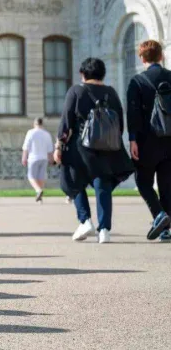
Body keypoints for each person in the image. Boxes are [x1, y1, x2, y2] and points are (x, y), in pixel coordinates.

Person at [54, 58, 134, 244]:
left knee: (72, 182)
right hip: (107, 149)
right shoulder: (111, 93)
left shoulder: (76, 91)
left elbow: (66, 123)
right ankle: (104, 229)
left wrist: (59, 145)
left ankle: (85, 221)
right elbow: (120, 123)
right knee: (103, 187)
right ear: (102, 74)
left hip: (80, 149)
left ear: (83, 74)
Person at [126, 40, 171, 241]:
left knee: (143, 181)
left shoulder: (137, 81)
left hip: (147, 140)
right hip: (169, 141)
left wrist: (133, 139)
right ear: (160, 57)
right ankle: (166, 230)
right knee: (167, 185)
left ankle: (159, 215)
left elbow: (133, 113)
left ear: (142, 58)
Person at [21, 117, 54, 203]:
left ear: (34, 124)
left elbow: (26, 147)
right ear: (42, 124)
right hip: (44, 158)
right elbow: (50, 149)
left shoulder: (31, 133)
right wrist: (51, 159)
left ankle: (38, 190)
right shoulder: (47, 134)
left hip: (33, 157)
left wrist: (24, 157)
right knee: (41, 177)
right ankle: (40, 197)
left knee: (31, 176)